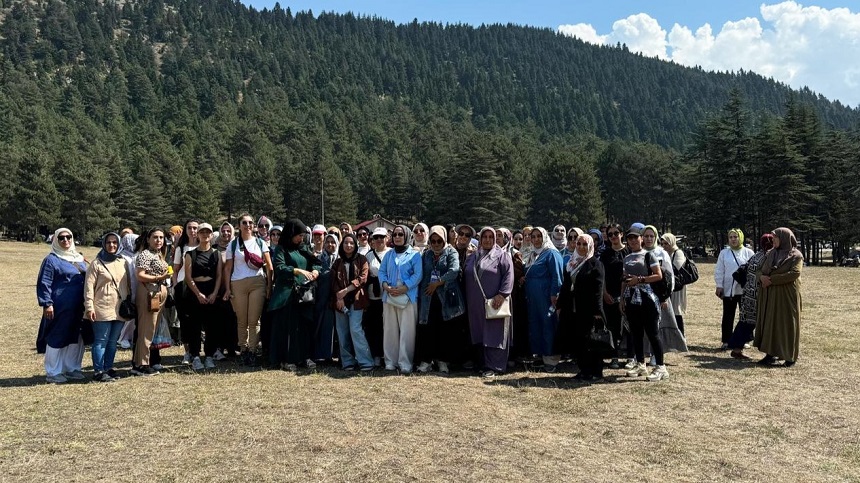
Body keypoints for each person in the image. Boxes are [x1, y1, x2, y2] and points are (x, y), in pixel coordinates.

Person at [37, 228, 89, 383]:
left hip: (80, 306)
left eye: (69, 237)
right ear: (56, 240)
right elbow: (44, 282)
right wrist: (47, 303)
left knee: (77, 337)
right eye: (61, 238)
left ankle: (72, 368)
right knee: (58, 336)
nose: (65, 240)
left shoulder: (79, 258)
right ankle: (53, 372)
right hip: (61, 306)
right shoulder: (51, 260)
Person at [269, 219, 321, 371]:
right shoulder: (281, 249)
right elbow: (279, 268)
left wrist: (316, 271)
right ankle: (287, 359)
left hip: (303, 294)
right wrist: (297, 271)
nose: (301, 238)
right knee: (288, 329)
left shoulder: (303, 248)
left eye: (303, 235)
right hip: (287, 295)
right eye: (299, 235)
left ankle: (304, 357)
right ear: (291, 234)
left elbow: (315, 262)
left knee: (303, 327)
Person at [619, 227, 669, 382]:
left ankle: (660, 367)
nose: (633, 241)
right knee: (636, 333)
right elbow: (624, 279)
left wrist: (639, 279)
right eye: (630, 238)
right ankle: (641, 364)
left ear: (641, 239)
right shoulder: (626, 258)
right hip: (631, 298)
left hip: (648, 299)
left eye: (635, 238)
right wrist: (621, 298)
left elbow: (658, 275)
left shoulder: (649, 255)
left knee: (653, 333)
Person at [464, 227, 514, 377]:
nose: (487, 240)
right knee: (479, 332)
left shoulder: (502, 256)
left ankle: (495, 366)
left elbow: (509, 276)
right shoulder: (473, 256)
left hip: (495, 302)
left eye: (490, 237)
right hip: (475, 303)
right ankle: (482, 364)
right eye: (484, 237)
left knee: (495, 333)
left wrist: (502, 295)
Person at [223, 214, 273, 366]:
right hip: (237, 283)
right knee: (241, 320)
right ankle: (243, 350)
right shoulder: (233, 244)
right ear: (239, 225)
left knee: (254, 320)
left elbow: (269, 267)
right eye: (244, 222)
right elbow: (228, 268)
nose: (248, 225)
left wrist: (269, 287)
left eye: (251, 222)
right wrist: (227, 288)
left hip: (257, 283)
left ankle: (252, 351)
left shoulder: (260, 242)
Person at [557, 234, 606, 381]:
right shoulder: (571, 263)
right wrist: (560, 305)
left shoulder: (595, 264)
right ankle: (584, 370)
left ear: (590, 246)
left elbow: (598, 289)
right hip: (573, 309)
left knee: (592, 341)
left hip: (589, 309)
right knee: (578, 340)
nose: (581, 247)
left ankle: (596, 372)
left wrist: (598, 312)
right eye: (579, 244)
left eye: (585, 244)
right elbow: (565, 286)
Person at [415, 225, 464, 374]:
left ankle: (443, 361)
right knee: (428, 330)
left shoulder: (451, 252)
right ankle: (426, 360)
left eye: (439, 241)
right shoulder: (427, 254)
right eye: (433, 241)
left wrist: (437, 283)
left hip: (445, 298)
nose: (436, 244)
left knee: (445, 330)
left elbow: (454, 270)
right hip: (429, 298)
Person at [85, 232, 130, 382]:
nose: (112, 245)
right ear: (104, 244)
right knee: (101, 340)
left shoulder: (122, 262)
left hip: (119, 308)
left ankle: (108, 368)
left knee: (112, 341)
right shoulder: (96, 263)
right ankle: (98, 371)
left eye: (115, 242)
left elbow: (128, 284)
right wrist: (89, 307)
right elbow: (89, 288)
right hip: (102, 307)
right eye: (109, 242)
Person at [754, 228, 803, 367]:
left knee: (787, 324)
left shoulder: (796, 256)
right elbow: (758, 269)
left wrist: (771, 280)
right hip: (770, 296)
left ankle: (789, 356)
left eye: (775, 238)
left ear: (784, 239)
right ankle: (770, 354)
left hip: (786, 297)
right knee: (771, 323)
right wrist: (761, 278)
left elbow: (794, 273)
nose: (773, 240)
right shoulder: (771, 254)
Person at [378, 225, 422, 372]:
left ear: (407, 236)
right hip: (390, 295)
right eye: (395, 234)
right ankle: (390, 361)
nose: (397, 237)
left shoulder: (414, 255)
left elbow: (418, 275)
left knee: (407, 331)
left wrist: (405, 287)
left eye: (400, 234)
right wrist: (385, 285)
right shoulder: (388, 254)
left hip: (408, 296)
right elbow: (382, 271)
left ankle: (405, 363)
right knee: (390, 330)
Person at [642, 225, 688, 355]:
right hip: (642, 294)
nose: (649, 239)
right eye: (646, 236)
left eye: (651, 236)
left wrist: (666, 295)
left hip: (659, 295)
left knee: (658, 326)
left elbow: (669, 276)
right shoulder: (639, 251)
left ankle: (656, 354)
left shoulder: (661, 252)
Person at [131, 227, 171, 376]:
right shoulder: (145, 254)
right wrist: (158, 278)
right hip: (149, 292)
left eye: (161, 237)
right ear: (148, 239)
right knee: (146, 329)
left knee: (152, 329)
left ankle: (141, 362)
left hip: (157, 292)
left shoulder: (159, 254)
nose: (158, 240)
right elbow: (140, 275)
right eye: (155, 237)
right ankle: (142, 364)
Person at [331, 234, 374, 371]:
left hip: (357, 300)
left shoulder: (362, 259)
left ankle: (365, 361)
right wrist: (339, 297)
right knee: (342, 332)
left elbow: (363, 278)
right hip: (341, 302)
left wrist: (346, 290)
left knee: (356, 330)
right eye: (346, 243)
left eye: (351, 243)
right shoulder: (338, 262)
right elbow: (333, 282)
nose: (348, 246)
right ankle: (347, 361)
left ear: (355, 245)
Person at [183, 223, 223, 370]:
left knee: (212, 326)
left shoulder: (216, 254)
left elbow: (219, 275)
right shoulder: (190, 254)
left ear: (212, 235)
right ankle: (195, 356)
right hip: (195, 292)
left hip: (212, 290)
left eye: (208, 232)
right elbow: (188, 277)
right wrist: (198, 293)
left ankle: (209, 356)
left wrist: (214, 293)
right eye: (202, 232)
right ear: (197, 235)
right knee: (194, 326)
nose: (205, 235)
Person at [524, 227, 564, 371]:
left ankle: (551, 358)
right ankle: (540, 354)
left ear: (545, 237)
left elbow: (557, 276)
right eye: (533, 236)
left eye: (538, 236)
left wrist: (554, 294)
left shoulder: (551, 253)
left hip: (547, 296)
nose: (535, 239)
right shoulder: (533, 254)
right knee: (536, 323)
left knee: (548, 324)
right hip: (533, 297)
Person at [729, 233, 774, 359]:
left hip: (748, 293)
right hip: (757, 295)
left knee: (746, 322)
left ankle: (737, 349)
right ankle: (769, 352)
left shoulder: (757, 254)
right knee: (758, 323)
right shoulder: (768, 255)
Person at [715, 228, 755, 349]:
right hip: (729, 290)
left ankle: (744, 339)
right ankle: (726, 340)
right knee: (728, 315)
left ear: (740, 238)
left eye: (735, 237)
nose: (733, 239)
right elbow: (719, 270)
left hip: (745, 290)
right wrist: (719, 285)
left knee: (745, 315)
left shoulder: (749, 253)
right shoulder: (724, 253)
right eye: (731, 237)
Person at [599, 224, 630, 369]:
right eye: (610, 234)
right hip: (610, 296)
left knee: (630, 327)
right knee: (613, 328)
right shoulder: (605, 254)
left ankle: (631, 357)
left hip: (628, 294)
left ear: (621, 234)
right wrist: (604, 293)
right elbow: (602, 276)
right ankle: (614, 357)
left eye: (615, 233)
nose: (613, 237)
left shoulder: (629, 252)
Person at [363, 227, 390, 366]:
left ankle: (388, 354)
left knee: (388, 327)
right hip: (373, 296)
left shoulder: (391, 253)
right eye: (376, 237)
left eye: (381, 237)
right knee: (374, 327)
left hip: (389, 296)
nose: (379, 240)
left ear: (387, 238)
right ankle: (376, 354)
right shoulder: (368, 255)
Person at [312, 232, 340, 363]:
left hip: (337, 298)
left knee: (336, 328)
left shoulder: (340, 259)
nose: (330, 244)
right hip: (321, 298)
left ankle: (333, 355)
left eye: (333, 242)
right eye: (327, 242)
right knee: (321, 326)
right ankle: (320, 354)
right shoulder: (318, 258)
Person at [215, 222, 238, 358]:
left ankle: (232, 347)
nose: (226, 233)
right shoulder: (214, 248)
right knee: (219, 320)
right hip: (219, 288)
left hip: (234, 287)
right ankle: (219, 347)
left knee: (233, 319)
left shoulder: (237, 247)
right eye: (223, 231)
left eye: (229, 231)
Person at [661, 233, 688, 335]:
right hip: (668, 285)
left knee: (676, 310)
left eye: (666, 243)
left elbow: (675, 269)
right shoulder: (666, 253)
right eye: (662, 244)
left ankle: (681, 335)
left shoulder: (678, 253)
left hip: (677, 287)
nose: (664, 246)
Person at [116, 233, 140, 350]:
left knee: (134, 314)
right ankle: (122, 338)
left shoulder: (136, 255)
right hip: (127, 289)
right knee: (127, 313)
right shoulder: (121, 256)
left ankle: (129, 336)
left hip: (137, 287)